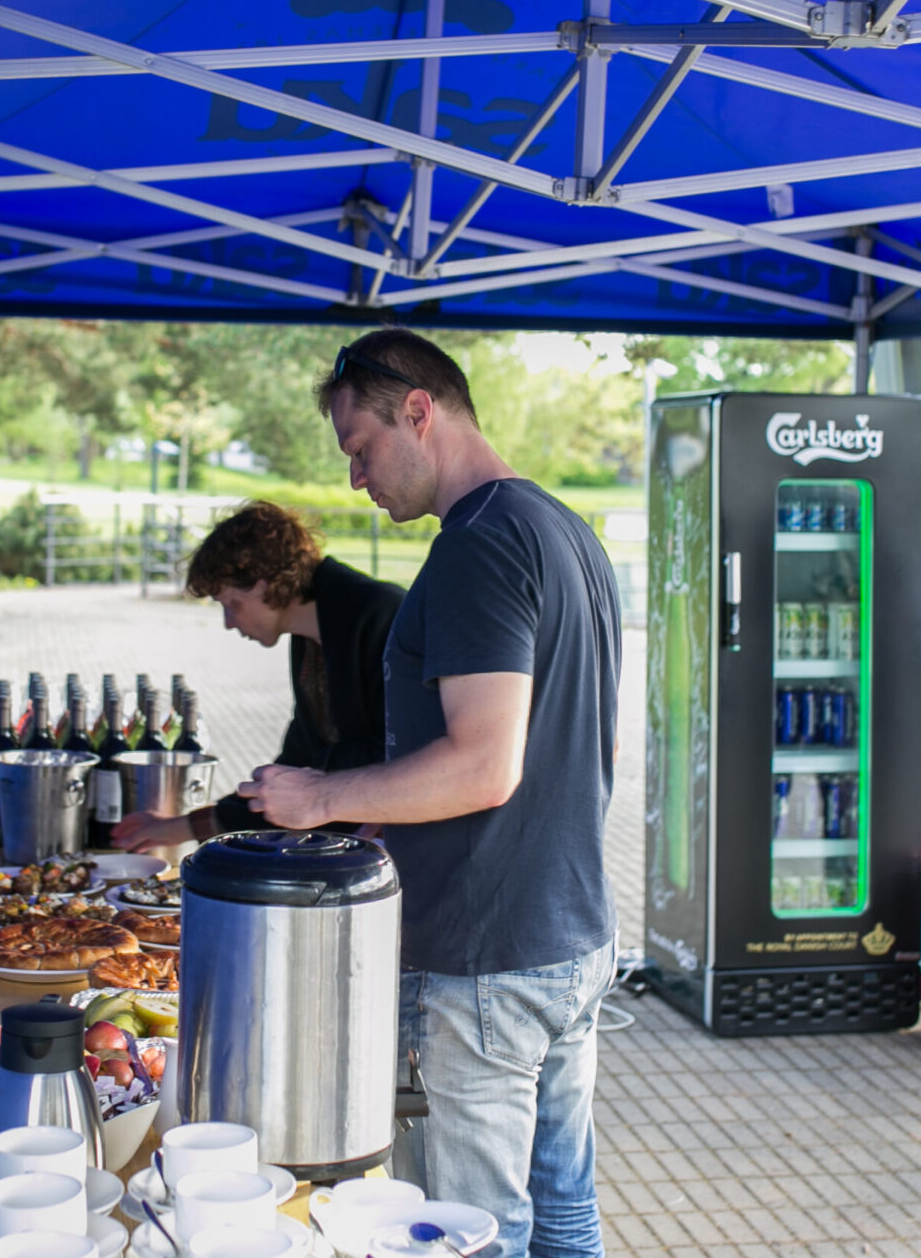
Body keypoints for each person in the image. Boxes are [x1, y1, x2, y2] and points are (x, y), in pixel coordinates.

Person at [237, 329, 621, 1258]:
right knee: (563, 1213)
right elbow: (539, 751)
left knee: (475, 1238)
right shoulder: (562, 528)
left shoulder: (478, 547)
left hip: (488, 959)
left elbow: (486, 766)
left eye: (360, 448)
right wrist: (380, 810)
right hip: (569, 937)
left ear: (418, 411)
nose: (356, 479)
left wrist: (321, 797)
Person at [110, 500, 403, 851]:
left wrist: (308, 781)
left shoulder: (380, 616)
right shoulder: (314, 633)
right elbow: (295, 766)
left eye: (231, 604)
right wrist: (182, 826)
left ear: (265, 586)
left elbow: (403, 752)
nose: (228, 623)